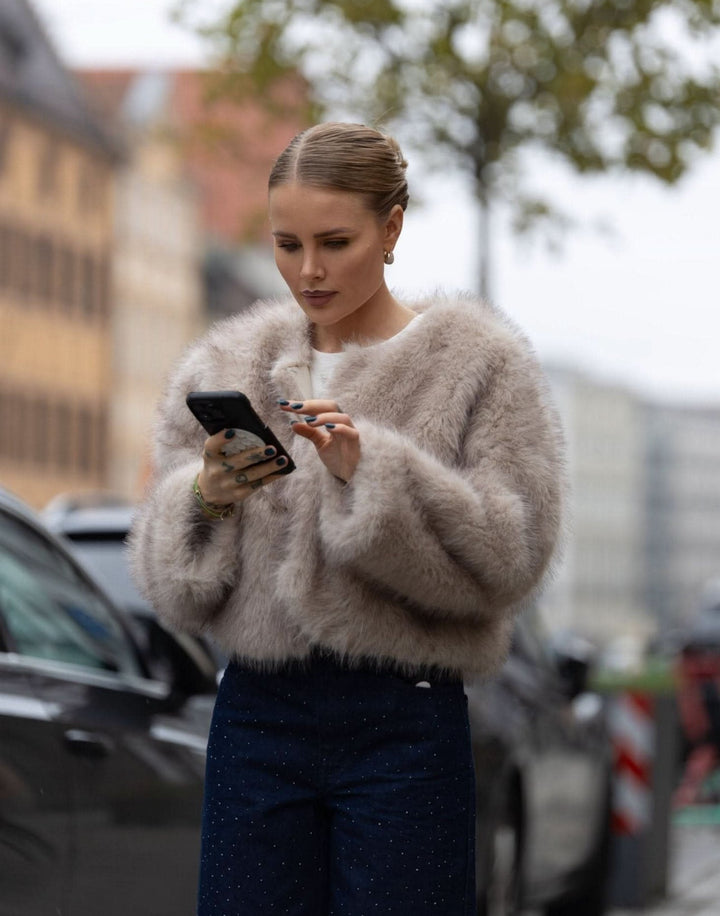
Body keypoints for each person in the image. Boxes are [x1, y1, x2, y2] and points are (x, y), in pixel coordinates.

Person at [129, 122, 565, 916]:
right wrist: (206, 496)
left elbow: (514, 552)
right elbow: (176, 588)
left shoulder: (478, 364)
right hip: (257, 713)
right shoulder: (228, 364)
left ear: (392, 227)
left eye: (335, 241)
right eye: (286, 243)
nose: (310, 270)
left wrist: (378, 475)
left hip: (405, 717)